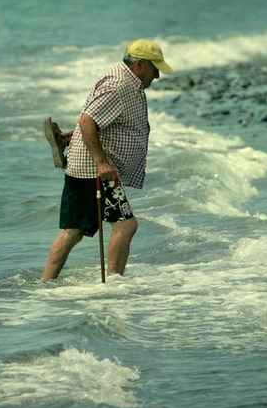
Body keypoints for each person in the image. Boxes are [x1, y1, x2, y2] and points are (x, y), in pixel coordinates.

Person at [41, 39, 173, 281]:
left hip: (85, 168)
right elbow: (88, 121)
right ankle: (114, 285)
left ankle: (45, 285)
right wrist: (101, 162)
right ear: (141, 64)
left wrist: (77, 137)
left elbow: (96, 120)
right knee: (126, 226)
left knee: (73, 231)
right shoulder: (119, 85)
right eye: (155, 69)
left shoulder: (122, 79)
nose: (157, 76)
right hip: (95, 172)